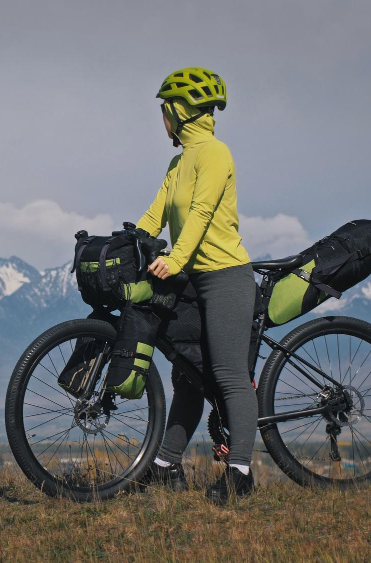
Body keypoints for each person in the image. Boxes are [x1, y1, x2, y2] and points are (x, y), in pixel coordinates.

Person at [136, 67, 257, 504]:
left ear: (179, 111)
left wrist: (174, 259)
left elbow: (202, 213)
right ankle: (165, 466)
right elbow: (156, 214)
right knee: (188, 376)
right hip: (191, 278)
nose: (162, 119)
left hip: (226, 276)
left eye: (164, 111)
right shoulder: (178, 162)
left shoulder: (215, 154)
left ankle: (240, 473)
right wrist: (130, 243)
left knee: (228, 374)